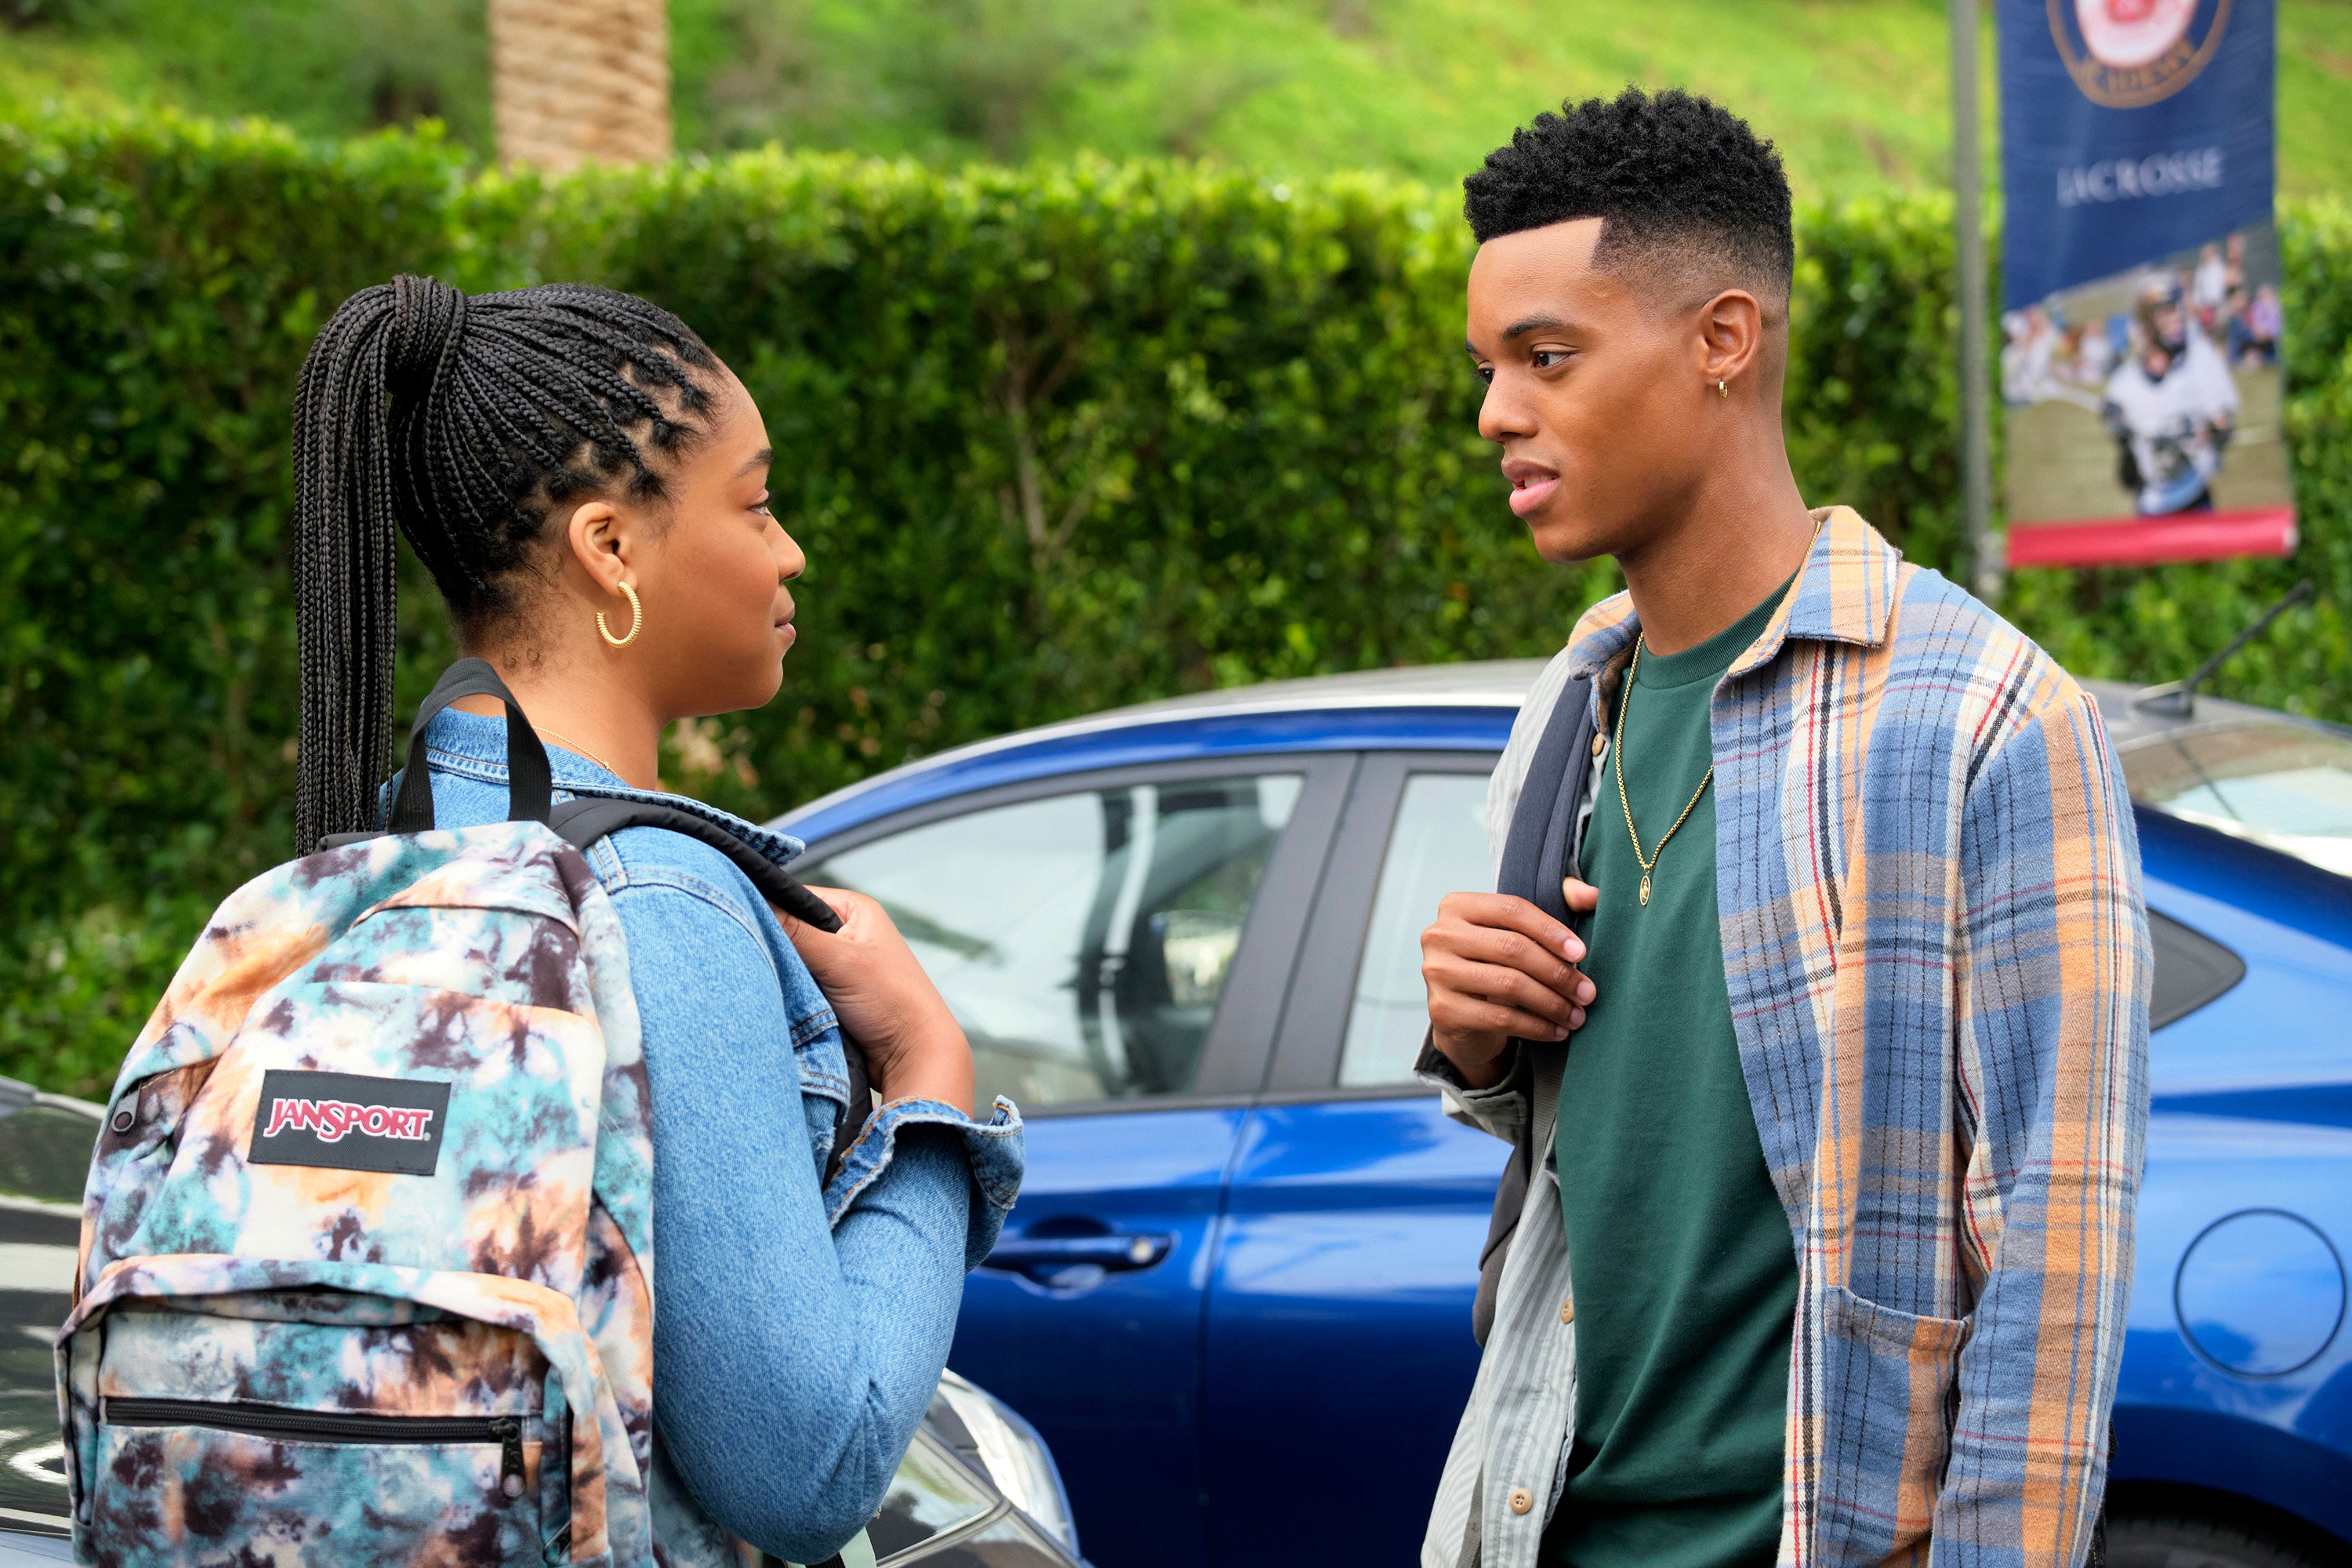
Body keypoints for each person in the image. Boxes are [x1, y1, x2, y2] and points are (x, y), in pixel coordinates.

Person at [1416, 90, 2148, 1568]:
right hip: (1532, 1520)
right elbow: (1600, 1159)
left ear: (1722, 340)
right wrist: (1480, 1037)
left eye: (1546, 357)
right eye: (1490, 365)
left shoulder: (1983, 720)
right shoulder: (1577, 694)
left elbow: (2052, 1283)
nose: (1497, 410)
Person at [289, 276, 1025, 1564]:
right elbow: (808, 1465)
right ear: (610, 549)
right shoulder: (653, 903)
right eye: (754, 501)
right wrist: (929, 1081)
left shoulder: (376, 848)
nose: (789, 547)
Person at [2102, 280, 2238, 514]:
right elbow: (2114, 422)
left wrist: (2208, 429)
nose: (2173, 319)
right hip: (2153, 498)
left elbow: (2224, 423)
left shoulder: (2201, 358)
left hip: (2195, 490)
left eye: (2175, 310)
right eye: (2163, 313)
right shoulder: (2124, 383)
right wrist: (2122, 430)